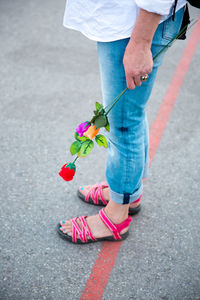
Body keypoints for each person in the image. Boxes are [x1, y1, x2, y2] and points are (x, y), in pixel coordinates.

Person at [57, 0, 186, 244]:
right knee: (130, 113)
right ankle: (128, 193)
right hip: (128, 22)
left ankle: (116, 217)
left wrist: (140, 42)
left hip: (133, 26)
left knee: (124, 121)